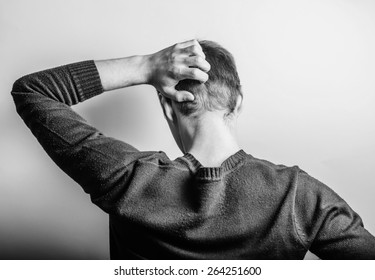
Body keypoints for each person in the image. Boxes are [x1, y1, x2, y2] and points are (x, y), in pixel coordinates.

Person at [11, 39, 375, 259]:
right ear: (237, 102)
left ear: (168, 105)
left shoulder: (125, 178)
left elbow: (33, 91)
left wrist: (146, 66)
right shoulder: (299, 197)